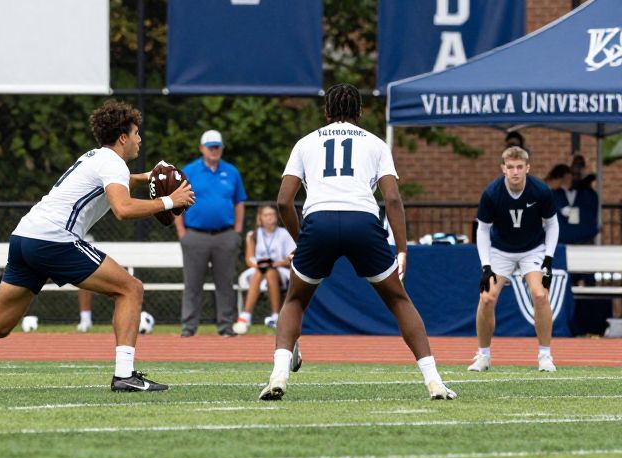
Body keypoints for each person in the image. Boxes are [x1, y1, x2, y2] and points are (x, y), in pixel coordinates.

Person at [0, 100, 195, 392]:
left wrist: (149, 177)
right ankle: (124, 375)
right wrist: (170, 199)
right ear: (122, 138)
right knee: (131, 289)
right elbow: (123, 209)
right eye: (136, 133)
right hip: (54, 239)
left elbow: (120, 181)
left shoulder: (97, 157)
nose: (140, 140)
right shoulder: (111, 162)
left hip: (26, 237)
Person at [260, 84, 456, 401]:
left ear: (326, 112)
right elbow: (392, 198)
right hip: (362, 221)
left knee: (295, 301)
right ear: (360, 112)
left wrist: (302, 239)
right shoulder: (376, 144)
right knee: (398, 300)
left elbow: (284, 201)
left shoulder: (305, 143)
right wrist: (403, 248)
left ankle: (278, 376)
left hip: (319, 221)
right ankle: (433, 381)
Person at [468, 146, 560, 373]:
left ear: (527, 168)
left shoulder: (540, 191)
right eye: (510, 167)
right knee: (487, 298)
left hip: (532, 249)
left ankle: (545, 355)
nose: (515, 172)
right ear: (503, 169)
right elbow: (482, 230)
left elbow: (552, 225)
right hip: (501, 250)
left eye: (520, 167)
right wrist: (485, 266)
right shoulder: (492, 193)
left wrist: (548, 258)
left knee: (539, 294)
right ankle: (484, 355)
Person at [176, 129, 247, 337]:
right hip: (195, 235)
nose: (214, 150)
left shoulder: (232, 172)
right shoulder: (189, 171)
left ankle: (225, 326)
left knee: (225, 283)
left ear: (222, 148)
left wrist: (237, 231)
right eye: (210, 147)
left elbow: (239, 202)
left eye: (217, 147)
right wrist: (182, 232)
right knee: (192, 284)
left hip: (225, 235)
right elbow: (177, 202)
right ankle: (188, 328)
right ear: (202, 149)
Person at [233, 204, 296, 334]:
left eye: (272, 215)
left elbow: (291, 257)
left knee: (269, 271)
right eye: (266, 215)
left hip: (280, 269)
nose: (269, 218)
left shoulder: (284, 234)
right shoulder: (253, 235)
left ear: (277, 217)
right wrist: (260, 265)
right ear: (260, 218)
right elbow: (249, 259)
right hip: (257, 269)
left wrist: (277, 263)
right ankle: (247, 315)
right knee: (262, 271)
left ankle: (273, 315)